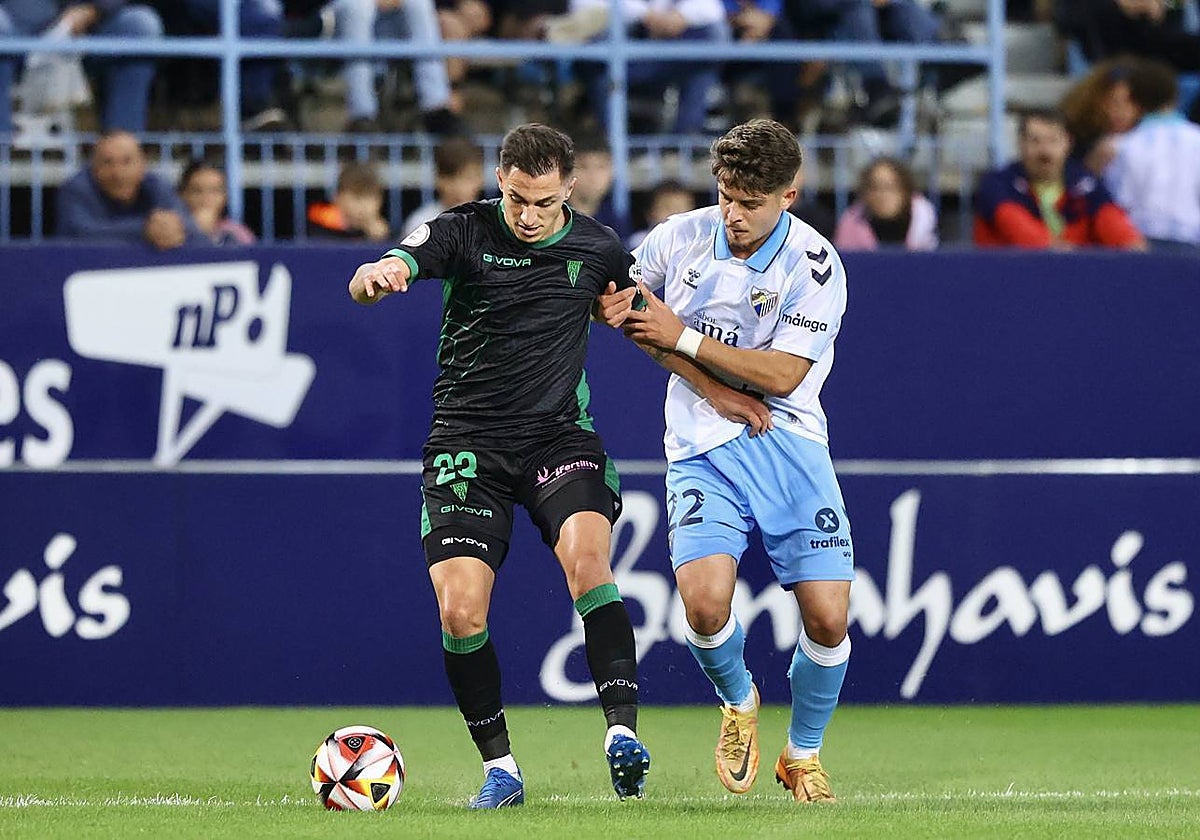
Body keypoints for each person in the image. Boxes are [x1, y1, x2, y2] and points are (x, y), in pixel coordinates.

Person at [346, 123, 651, 808]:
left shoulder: (599, 248)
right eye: (516, 198)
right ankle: (502, 771)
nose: (528, 215)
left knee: (589, 565)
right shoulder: (464, 230)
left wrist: (634, 319)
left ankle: (621, 736)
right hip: (467, 444)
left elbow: (646, 316)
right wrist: (379, 274)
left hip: (558, 440)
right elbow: (399, 260)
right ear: (501, 182)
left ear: (568, 189)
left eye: (543, 202)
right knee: (459, 612)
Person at [597, 118, 853, 803]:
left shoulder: (816, 264)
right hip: (701, 447)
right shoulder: (677, 238)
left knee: (828, 619)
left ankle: (802, 755)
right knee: (706, 607)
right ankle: (739, 703)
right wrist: (708, 386)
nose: (734, 215)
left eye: (751, 202)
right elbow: (624, 309)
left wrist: (684, 337)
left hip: (790, 442)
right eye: (727, 195)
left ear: (789, 195)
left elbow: (781, 376)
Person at [973, 109, 1145, 249]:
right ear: (1020, 143)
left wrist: (1132, 245)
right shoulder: (998, 183)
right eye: (1035, 141)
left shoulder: (1087, 184)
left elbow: (1112, 221)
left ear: (1068, 143)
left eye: (1053, 141)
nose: (1044, 151)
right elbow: (1016, 227)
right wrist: (1059, 254)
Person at [0, 0, 163, 135]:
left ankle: (120, 149)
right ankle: (2, 147)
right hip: (15, 30)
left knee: (141, 24)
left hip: (87, 30)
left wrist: (93, 9)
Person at [1105, 59, 1200, 250]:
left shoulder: (1123, 146)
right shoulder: (1197, 139)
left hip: (1141, 240)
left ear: (1135, 100)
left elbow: (1119, 198)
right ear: (1176, 96)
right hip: (1191, 237)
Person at [56, 129, 206, 248]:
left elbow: (186, 227)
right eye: (107, 163)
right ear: (93, 167)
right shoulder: (75, 189)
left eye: (127, 162)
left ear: (143, 164)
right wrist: (144, 230)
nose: (118, 173)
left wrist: (173, 229)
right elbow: (80, 233)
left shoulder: (156, 186)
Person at [834, 157, 938, 251]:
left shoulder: (926, 222)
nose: (883, 195)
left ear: (906, 190)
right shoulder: (850, 225)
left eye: (889, 187)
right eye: (875, 188)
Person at [1060, 57, 1143, 173]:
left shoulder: (1153, 139)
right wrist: (1091, 166)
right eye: (1113, 102)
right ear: (1097, 101)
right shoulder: (1079, 136)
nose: (1121, 111)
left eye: (1130, 102)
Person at [400, 134, 484, 236]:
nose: (459, 189)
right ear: (438, 179)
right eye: (451, 179)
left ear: (480, 179)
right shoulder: (421, 224)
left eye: (468, 179)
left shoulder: (494, 224)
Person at [178, 160, 257, 246]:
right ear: (183, 195)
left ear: (225, 196)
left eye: (215, 191)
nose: (206, 198)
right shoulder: (171, 233)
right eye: (197, 191)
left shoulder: (237, 233)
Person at [308, 161, 392, 241]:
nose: (365, 206)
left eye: (372, 198)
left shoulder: (387, 236)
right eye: (357, 197)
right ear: (337, 197)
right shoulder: (320, 226)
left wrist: (381, 240)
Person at [569, 134, 631, 240]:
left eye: (601, 167)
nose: (593, 176)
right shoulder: (548, 221)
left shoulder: (617, 223)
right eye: (583, 167)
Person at [627, 178, 695, 249]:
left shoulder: (699, 243)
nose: (674, 215)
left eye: (681, 209)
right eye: (667, 208)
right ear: (650, 214)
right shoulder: (639, 243)